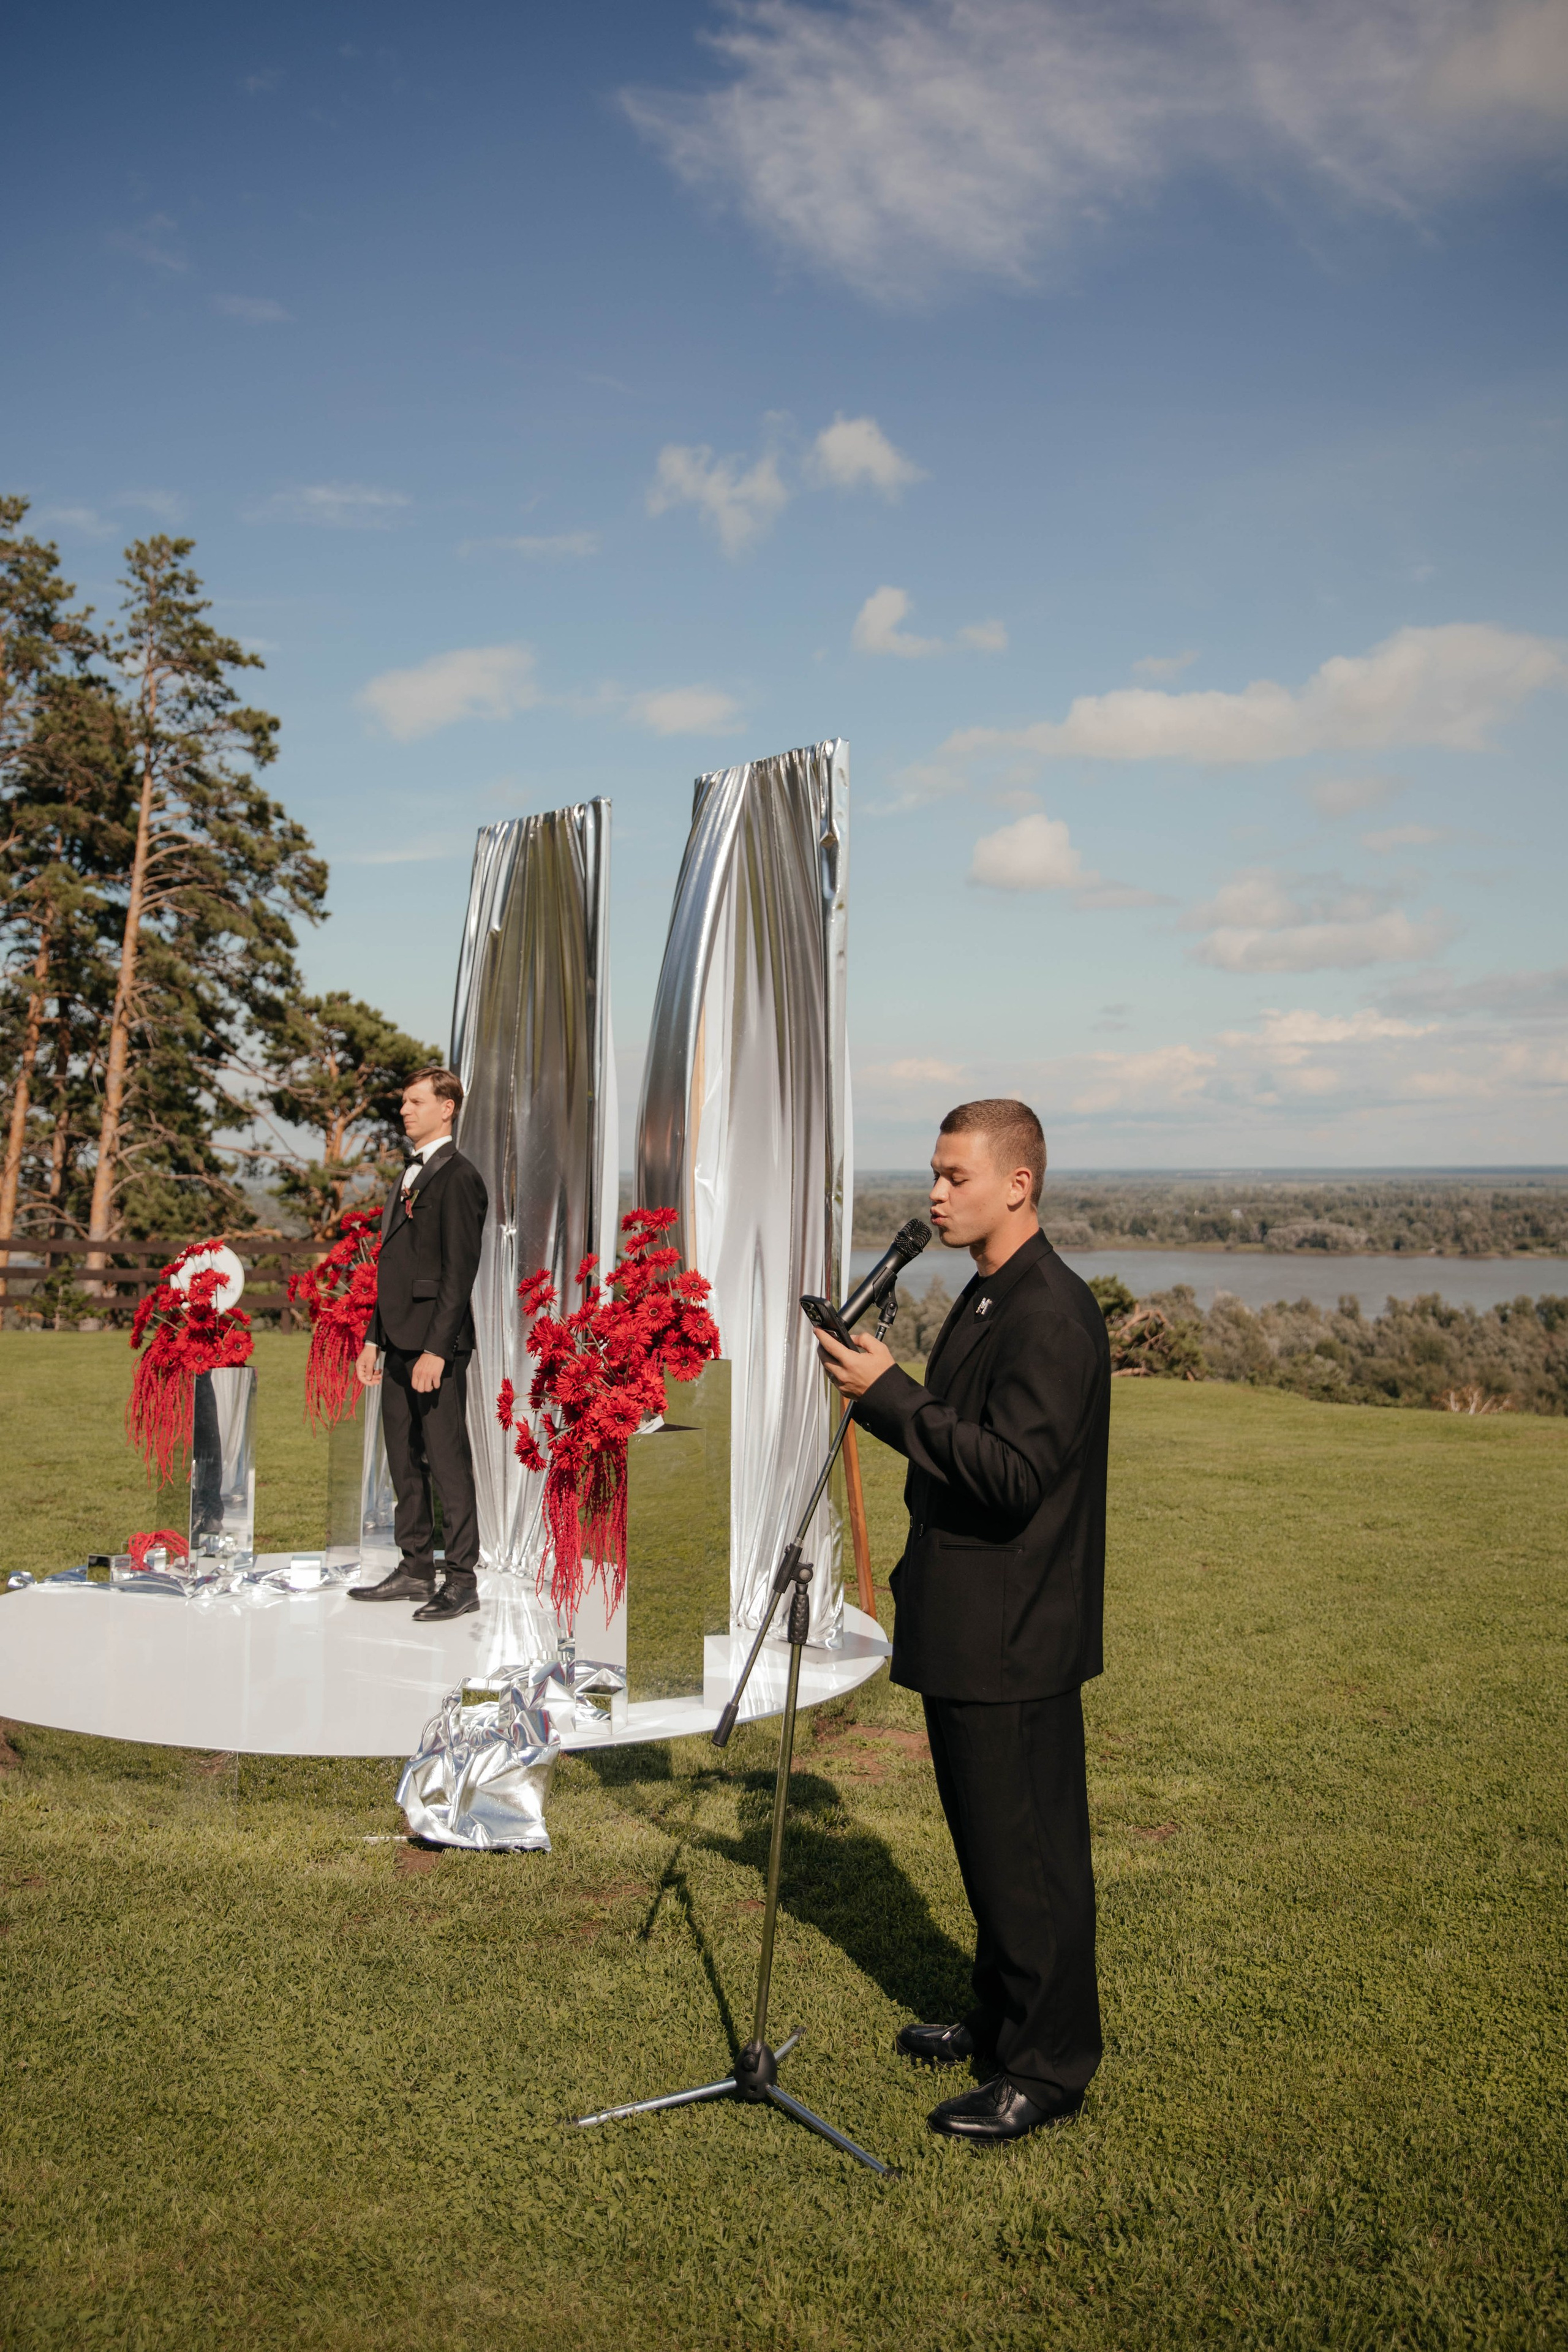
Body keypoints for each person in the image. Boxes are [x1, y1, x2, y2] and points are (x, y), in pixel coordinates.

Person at [814, 1098, 1110, 2145]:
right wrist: (889, 1392)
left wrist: (890, 1395)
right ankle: (998, 2018)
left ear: (1017, 1183)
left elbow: (1016, 1476)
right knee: (990, 1844)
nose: (935, 1195)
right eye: (933, 1176)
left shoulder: (1050, 1313)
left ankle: (1049, 2064)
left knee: (1029, 1855)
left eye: (955, 1177)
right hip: (968, 1616)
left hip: (1014, 1630)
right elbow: (968, 1439)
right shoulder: (990, 1298)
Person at [349, 1066, 489, 1621]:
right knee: (403, 1458)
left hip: (437, 1347)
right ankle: (414, 1567)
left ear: (446, 1107)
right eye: (403, 1102)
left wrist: (437, 1349)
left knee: (447, 1461)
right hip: (397, 1340)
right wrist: (373, 1339)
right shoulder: (406, 1174)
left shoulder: (459, 1177)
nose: (404, 1110)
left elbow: (459, 1273)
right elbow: (394, 1265)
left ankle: (461, 1578)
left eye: (415, 1101)